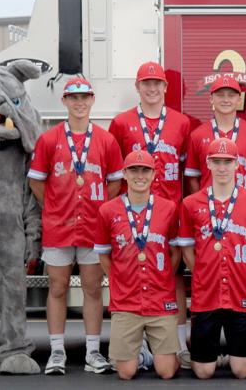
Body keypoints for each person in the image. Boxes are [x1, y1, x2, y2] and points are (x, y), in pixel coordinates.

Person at [28, 77, 123, 375]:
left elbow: (116, 181)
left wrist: (101, 210)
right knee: (57, 287)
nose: (79, 103)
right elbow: (36, 181)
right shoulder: (49, 139)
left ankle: (93, 352)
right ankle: (57, 351)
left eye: (85, 97)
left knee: (93, 288)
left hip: (94, 228)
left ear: (93, 100)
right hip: (59, 226)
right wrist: (55, 207)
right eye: (74, 98)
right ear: (65, 102)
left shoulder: (106, 140)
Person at [107, 61, 195, 368]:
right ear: (137, 87)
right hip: (132, 211)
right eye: (146, 83)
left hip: (168, 210)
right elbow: (115, 170)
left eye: (157, 83)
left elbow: (185, 169)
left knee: (174, 272)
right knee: (133, 267)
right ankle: (137, 341)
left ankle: (178, 343)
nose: (152, 88)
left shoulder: (182, 123)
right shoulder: (121, 123)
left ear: (165, 88)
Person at [177, 138, 246, 379]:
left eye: (227, 162)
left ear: (237, 164)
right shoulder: (190, 203)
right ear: (207, 163)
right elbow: (187, 250)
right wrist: (203, 272)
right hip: (206, 294)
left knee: (241, 371)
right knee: (204, 372)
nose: (222, 168)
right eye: (216, 162)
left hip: (241, 293)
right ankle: (203, 346)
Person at [93, 150, 181, 380]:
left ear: (154, 174)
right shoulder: (107, 211)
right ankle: (142, 354)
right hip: (126, 301)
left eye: (145, 170)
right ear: (124, 173)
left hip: (160, 300)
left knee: (167, 372)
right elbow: (104, 256)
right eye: (134, 170)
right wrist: (119, 279)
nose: (139, 175)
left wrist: (163, 277)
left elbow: (175, 251)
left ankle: (156, 353)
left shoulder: (168, 208)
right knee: (126, 372)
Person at [184, 75, 246, 193]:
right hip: (210, 208)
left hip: (244, 207)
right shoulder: (197, 135)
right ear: (211, 99)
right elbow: (193, 179)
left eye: (231, 95)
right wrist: (204, 203)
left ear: (239, 99)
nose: (225, 100)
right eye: (220, 95)